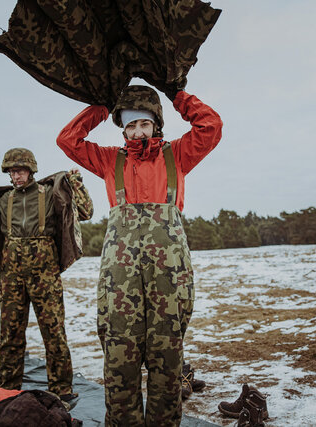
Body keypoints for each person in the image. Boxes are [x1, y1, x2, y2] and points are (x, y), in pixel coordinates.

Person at [57, 85, 222, 425]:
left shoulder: (177, 155)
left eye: (144, 124)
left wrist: (176, 94)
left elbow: (211, 126)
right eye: (130, 125)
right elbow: (67, 140)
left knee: (167, 359)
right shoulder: (109, 160)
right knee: (120, 358)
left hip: (169, 278)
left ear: (156, 125)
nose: (137, 131)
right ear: (122, 126)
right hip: (121, 281)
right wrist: (102, 105)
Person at [0, 148, 93, 401]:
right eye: (11, 171)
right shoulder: (3, 200)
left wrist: (77, 183)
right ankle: (9, 390)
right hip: (11, 274)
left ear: (31, 170)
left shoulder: (50, 193)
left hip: (45, 273)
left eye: (20, 170)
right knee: (10, 335)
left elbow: (85, 212)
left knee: (54, 333)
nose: (16, 176)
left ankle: (62, 390)